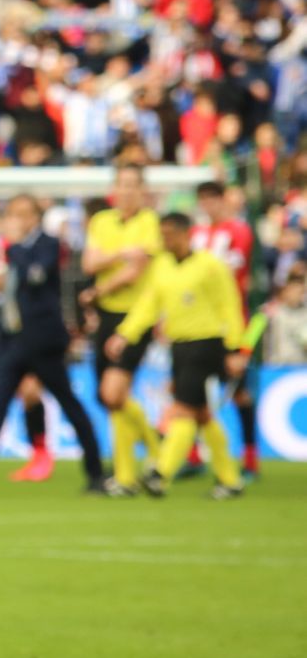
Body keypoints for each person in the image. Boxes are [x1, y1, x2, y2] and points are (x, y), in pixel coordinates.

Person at [0, 195, 106, 494]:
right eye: (12, 214)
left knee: (70, 406)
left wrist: (9, 248)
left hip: (43, 342)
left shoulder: (48, 244)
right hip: (11, 341)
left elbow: (36, 275)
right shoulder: (4, 250)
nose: (16, 220)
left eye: (22, 214)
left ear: (35, 217)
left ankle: (96, 472)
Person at [106, 213, 248, 499]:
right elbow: (149, 305)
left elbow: (230, 306)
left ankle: (161, 472)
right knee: (202, 415)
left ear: (185, 234)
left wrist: (236, 348)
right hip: (179, 345)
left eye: (170, 234)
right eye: (163, 234)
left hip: (207, 343)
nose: (165, 240)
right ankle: (230, 480)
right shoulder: (162, 266)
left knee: (183, 409)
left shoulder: (210, 266)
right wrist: (125, 333)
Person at [81, 164, 163, 495]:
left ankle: (133, 468)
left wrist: (99, 288)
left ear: (142, 190)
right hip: (106, 317)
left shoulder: (149, 223)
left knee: (113, 392)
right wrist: (119, 254)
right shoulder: (102, 221)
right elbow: (89, 263)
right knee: (110, 397)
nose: (127, 191)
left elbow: (136, 270)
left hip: (136, 315)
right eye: (122, 184)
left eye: (133, 184)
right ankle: (146, 456)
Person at [192, 180, 261, 478]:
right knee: (189, 390)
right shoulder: (195, 234)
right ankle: (193, 456)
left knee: (239, 393)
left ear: (223, 200)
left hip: (232, 324)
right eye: (203, 200)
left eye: (212, 199)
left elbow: (231, 272)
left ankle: (250, 458)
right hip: (196, 325)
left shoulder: (238, 231)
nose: (208, 205)